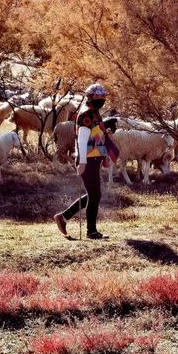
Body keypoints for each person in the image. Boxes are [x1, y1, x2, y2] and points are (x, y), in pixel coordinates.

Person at [54, 83, 111, 240]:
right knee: (94, 194)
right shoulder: (86, 115)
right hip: (88, 160)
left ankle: (63, 217)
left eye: (103, 97)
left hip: (95, 158)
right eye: (99, 97)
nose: (102, 100)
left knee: (94, 194)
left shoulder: (95, 113)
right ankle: (91, 231)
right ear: (91, 98)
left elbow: (99, 138)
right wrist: (83, 163)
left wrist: (104, 157)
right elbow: (82, 141)